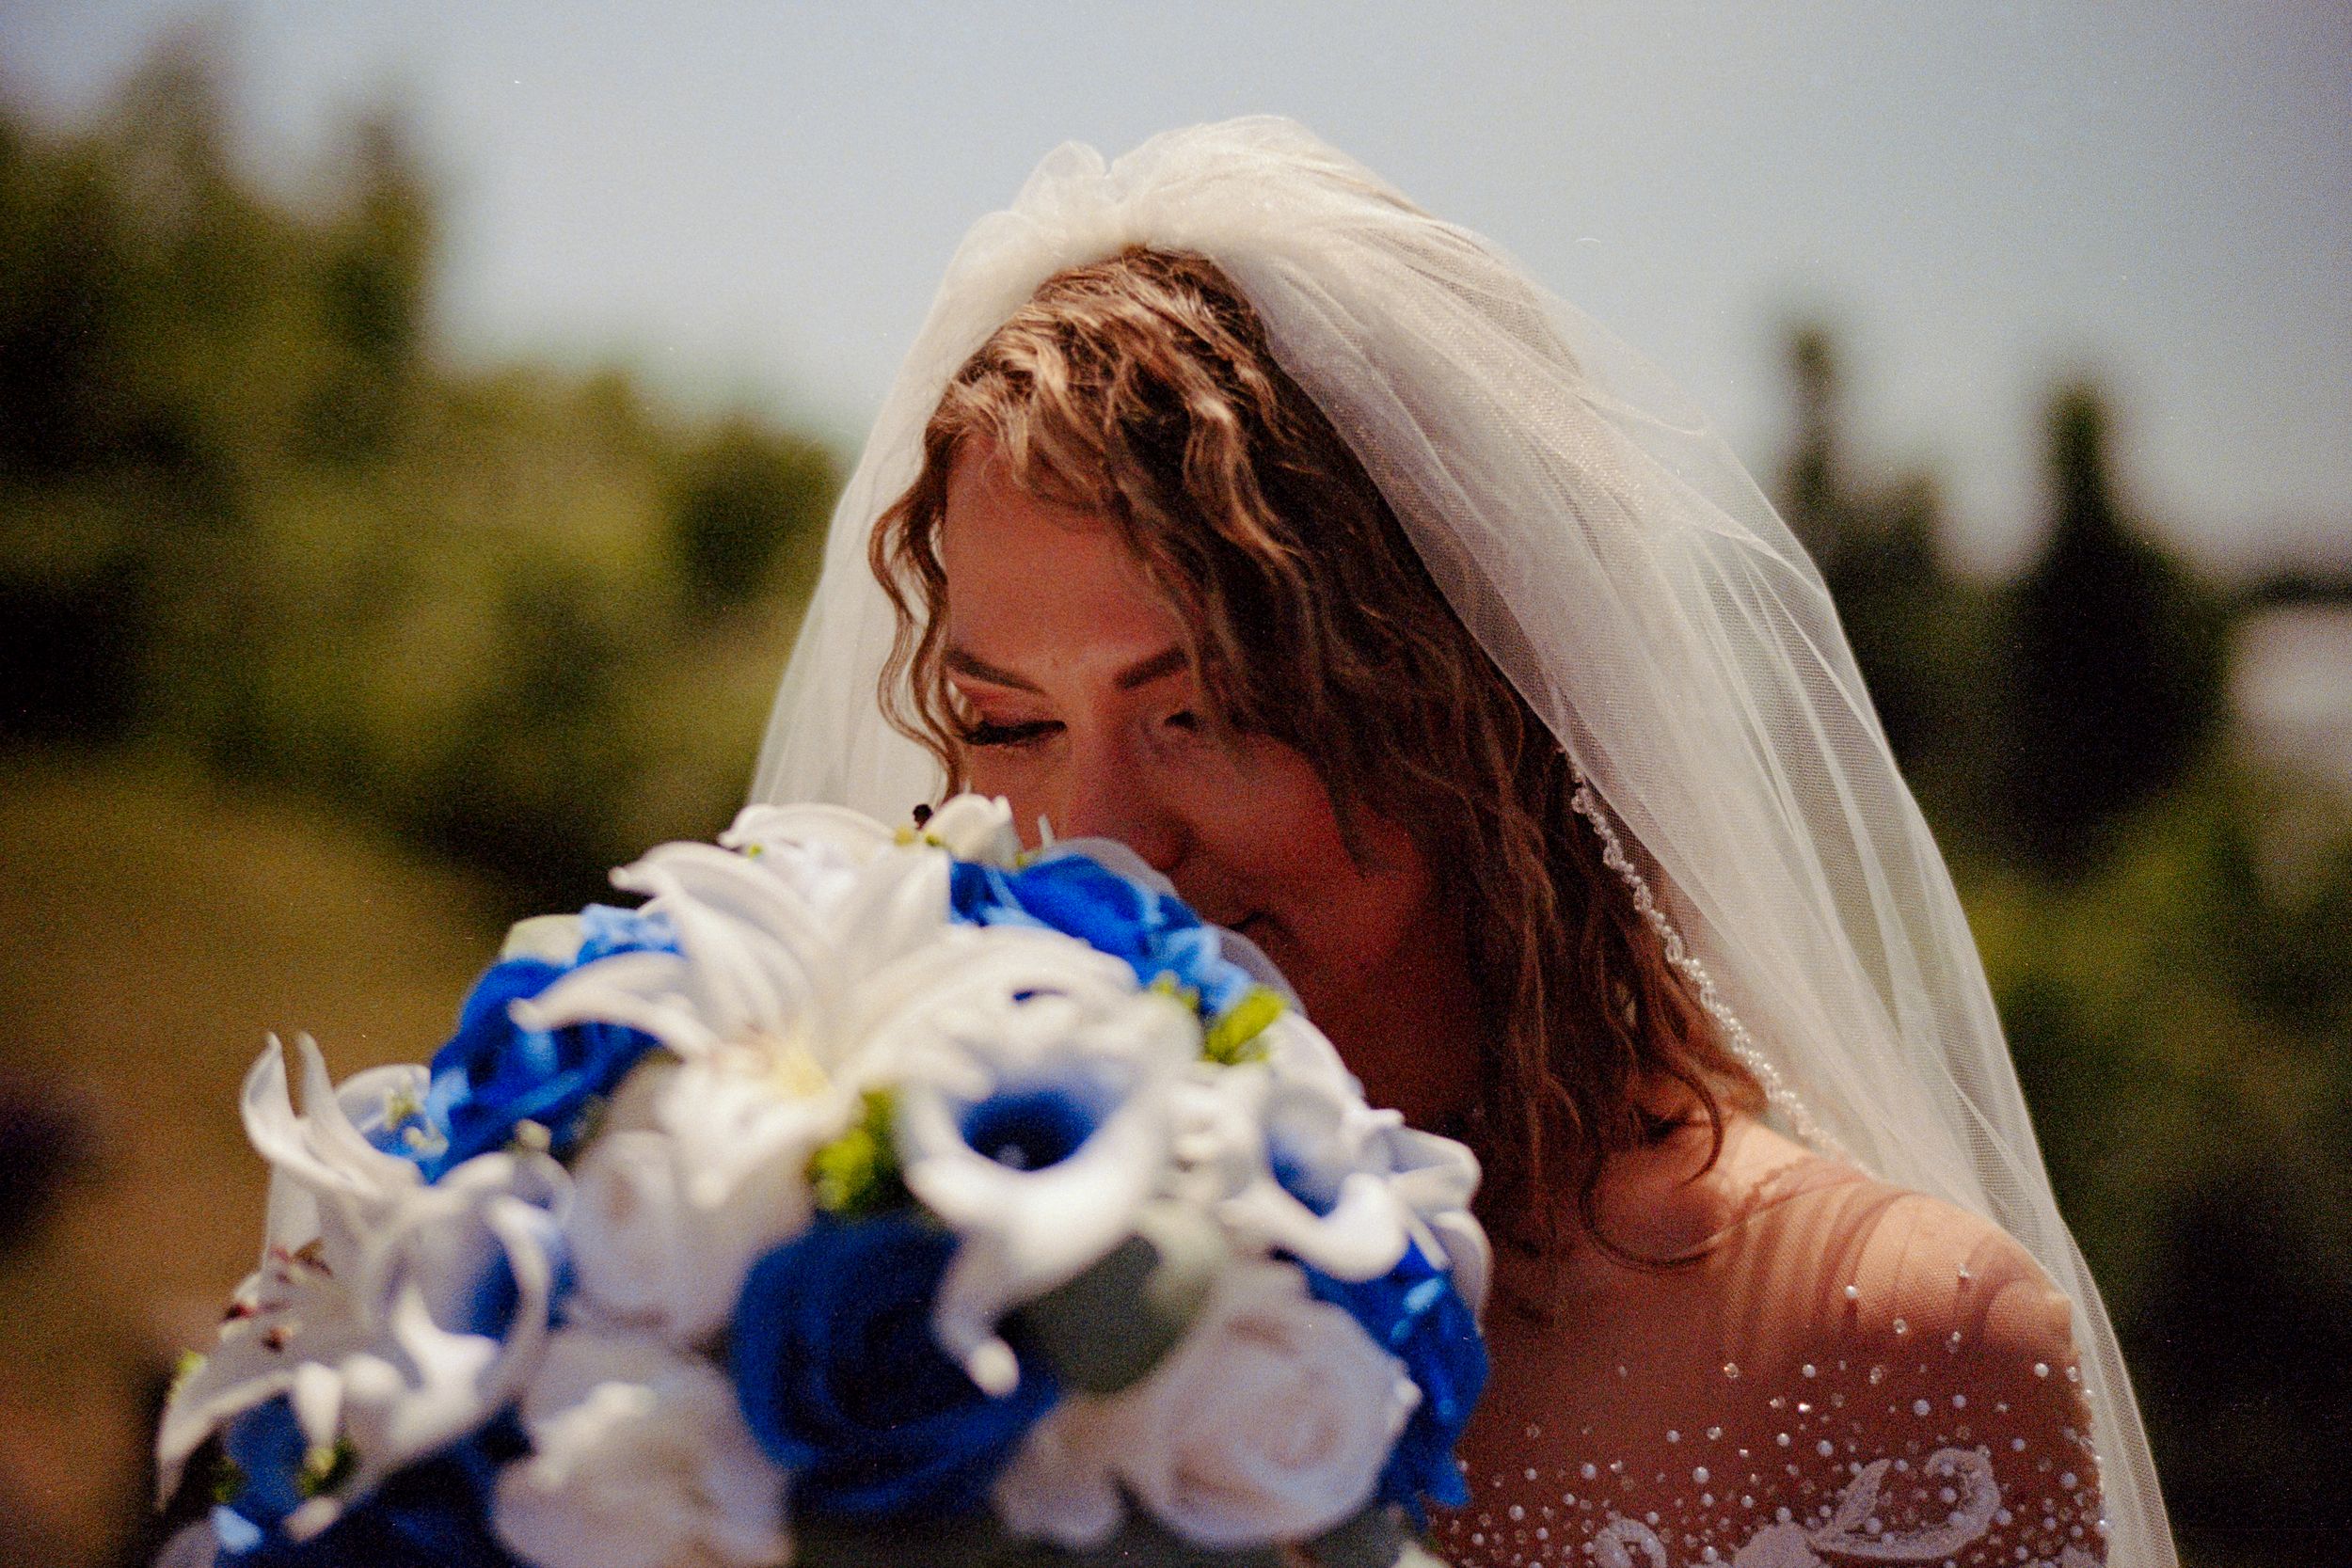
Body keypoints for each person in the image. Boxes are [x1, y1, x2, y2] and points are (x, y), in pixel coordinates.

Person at [753, 119, 2173, 1567]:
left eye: (1213, 711)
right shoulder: (888, 1317)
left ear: (1475, 715)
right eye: (1006, 728)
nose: (1096, 846)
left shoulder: (1887, 1355)